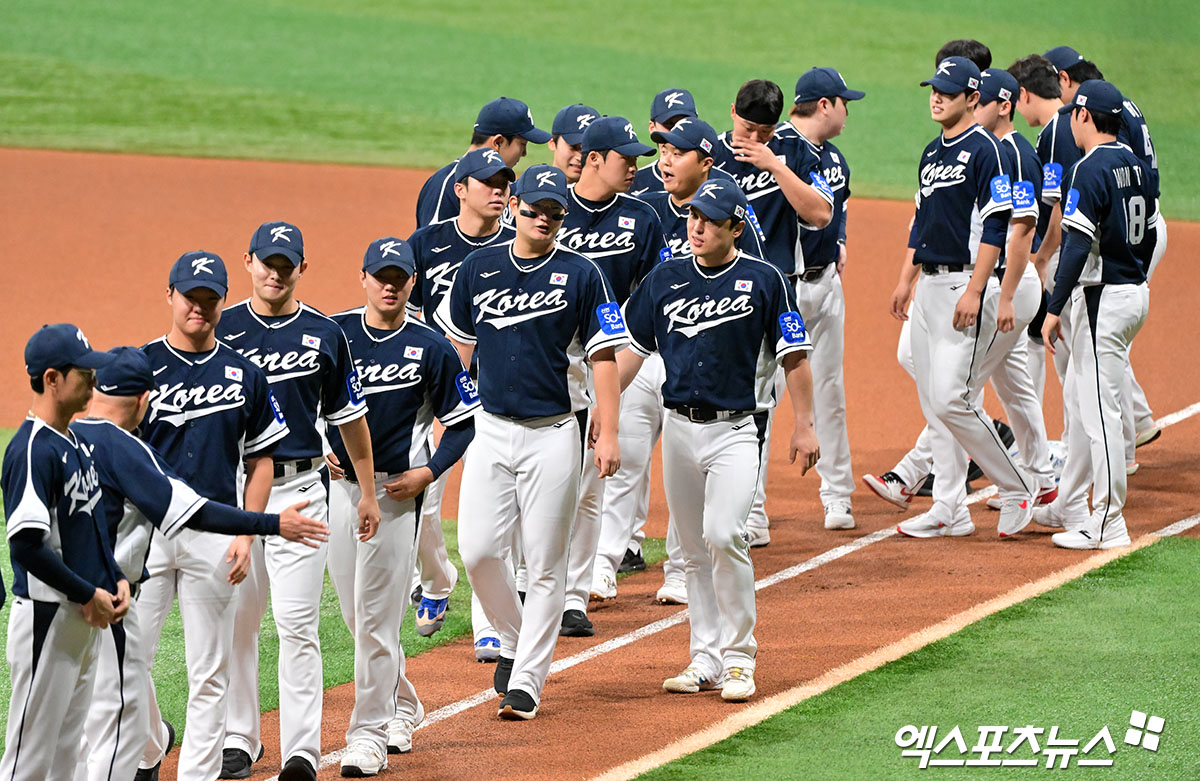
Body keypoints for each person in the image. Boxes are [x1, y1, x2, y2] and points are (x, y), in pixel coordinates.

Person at [72, 347, 328, 781]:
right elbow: (195, 510)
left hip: (77, 590)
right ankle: (147, 745)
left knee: (106, 687)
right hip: (140, 553)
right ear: (144, 400)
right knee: (122, 675)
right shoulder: (130, 451)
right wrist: (271, 524)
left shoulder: (54, 440)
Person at [435, 164, 626, 720]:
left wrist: (609, 432)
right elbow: (458, 349)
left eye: (555, 213)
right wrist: (447, 413)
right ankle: (516, 640)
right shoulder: (478, 268)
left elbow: (604, 356)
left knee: (544, 564)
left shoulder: (583, 274)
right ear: (515, 206)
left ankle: (527, 682)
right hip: (490, 429)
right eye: (536, 209)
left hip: (554, 433)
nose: (544, 219)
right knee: (478, 552)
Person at [618, 178, 819, 703]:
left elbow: (794, 356)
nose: (697, 227)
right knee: (691, 551)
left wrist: (805, 423)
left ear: (736, 227)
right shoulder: (664, 279)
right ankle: (704, 658)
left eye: (709, 220)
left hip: (736, 430)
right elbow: (631, 351)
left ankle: (739, 659)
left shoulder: (764, 280)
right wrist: (601, 411)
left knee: (724, 534)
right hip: (678, 430)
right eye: (693, 217)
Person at [218, 222, 378, 781]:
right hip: (236, 495)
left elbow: (349, 419)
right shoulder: (223, 328)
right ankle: (239, 737)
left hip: (303, 492)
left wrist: (367, 490)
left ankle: (301, 751)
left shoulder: (325, 334)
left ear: (302, 269)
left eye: (287, 265)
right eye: (268, 262)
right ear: (248, 262)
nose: (276, 273)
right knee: (237, 621)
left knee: (297, 624)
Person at [327, 238, 479, 775]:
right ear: (363, 278)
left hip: (395, 496)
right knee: (356, 615)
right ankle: (404, 702)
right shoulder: (336, 335)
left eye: (400, 278)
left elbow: (463, 423)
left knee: (376, 616)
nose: (389, 286)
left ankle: (368, 734)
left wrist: (429, 472)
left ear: (413, 283)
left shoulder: (431, 346)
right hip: (337, 491)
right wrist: (320, 445)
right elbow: (303, 402)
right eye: (381, 276)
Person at [136, 252, 289, 781]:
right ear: (170, 295)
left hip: (215, 534)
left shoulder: (245, 374)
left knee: (209, 671)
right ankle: (150, 743)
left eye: (209, 298)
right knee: (127, 659)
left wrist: (247, 534)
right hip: (148, 535)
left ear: (223, 301)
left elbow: (262, 460)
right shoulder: (139, 367)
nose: (198, 307)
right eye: (190, 296)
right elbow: (114, 449)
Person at [599, 116, 764, 608]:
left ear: (706, 163)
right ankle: (605, 561)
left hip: (705, 361)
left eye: (678, 152)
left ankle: (678, 570)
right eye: (664, 151)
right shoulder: (648, 206)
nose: (665, 161)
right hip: (646, 348)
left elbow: (756, 290)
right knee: (628, 456)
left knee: (692, 475)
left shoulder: (733, 214)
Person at [886, 56, 1035, 538]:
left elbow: (997, 225)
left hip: (963, 285)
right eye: (934, 90)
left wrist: (976, 290)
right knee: (934, 403)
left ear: (972, 99)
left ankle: (1017, 487)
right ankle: (950, 507)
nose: (936, 98)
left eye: (947, 92)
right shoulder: (932, 152)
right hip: (929, 286)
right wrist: (906, 280)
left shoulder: (986, 151)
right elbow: (924, 224)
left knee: (953, 398)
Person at [0, 324, 126, 781]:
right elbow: (26, 546)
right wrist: (86, 593)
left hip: (80, 617)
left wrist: (114, 577)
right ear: (52, 379)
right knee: (29, 761)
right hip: (47, 618)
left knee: (67, 757)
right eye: (84, 373)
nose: (94, 381)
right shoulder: (32, 450)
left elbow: (89, 526)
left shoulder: (72, 441)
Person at [712, 78, 834, 546]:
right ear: (732, 112)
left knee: (759, 401)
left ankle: (752, 513)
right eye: (748, 129)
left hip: (775, 289)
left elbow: (820, 214)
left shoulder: (795, 152)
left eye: (764, 132)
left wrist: (775, 165)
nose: (755, 139)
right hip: (718, 290)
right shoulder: (710, 152)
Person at [407, 147, 516, 661]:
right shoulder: (426, 245)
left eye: (504, 182)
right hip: (432, 388)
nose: (498, 190)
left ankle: (490, 621)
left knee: (497, 508)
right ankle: (435, 578)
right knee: (422, 496)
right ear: (460, 190)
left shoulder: (516, 246)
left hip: (493, 388)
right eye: (487, 182)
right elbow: (406, 318)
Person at [557, 115, 665, 636]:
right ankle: (529, 584)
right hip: (554, 361)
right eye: (627, 158)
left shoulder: (643, 218)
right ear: (594, 159)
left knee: (593, 485)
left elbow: (651, 299)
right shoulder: (552, 210)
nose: (637, 167)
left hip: (618, 355)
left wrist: (611, 394)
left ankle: (576, 594)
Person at [1039, 80, 1153, 549]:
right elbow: (1148, 234)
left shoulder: (1088, 169)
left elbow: (1076, 244)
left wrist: (1054, 308)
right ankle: (1073, 502)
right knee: (1085, 401)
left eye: (1074, 115)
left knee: (1100, 414)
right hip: (1133, 293)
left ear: (1084, 116)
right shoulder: (1137, 165)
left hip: (1103, 300)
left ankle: (1108, 522)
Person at [773, 67, 864, 530]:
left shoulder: (834, 157)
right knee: (763, 396)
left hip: (826, 284)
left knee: (830, 390)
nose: (849, 111)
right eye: (845, 103)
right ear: (825, 105)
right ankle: (751, 511)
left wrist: (840, 239)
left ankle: (837, 495)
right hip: (782, 291)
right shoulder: (775, 148)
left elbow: (837, 207)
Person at [415, 97, 550, 227]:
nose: (524, 153)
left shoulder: (508, 186)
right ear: (498, 142)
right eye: (522, 144)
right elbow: (432, 240)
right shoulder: (445, 185)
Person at [630, 87, 699, 197]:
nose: (678, 131)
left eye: (684, 123)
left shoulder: (717, 181)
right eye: (669, 124)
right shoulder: (634, 184)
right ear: (652, 128)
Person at [548, 103, 600, 183]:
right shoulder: (532, 188)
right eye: (573, 147)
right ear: (552, 144)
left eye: (588, 150)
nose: (580, 158)